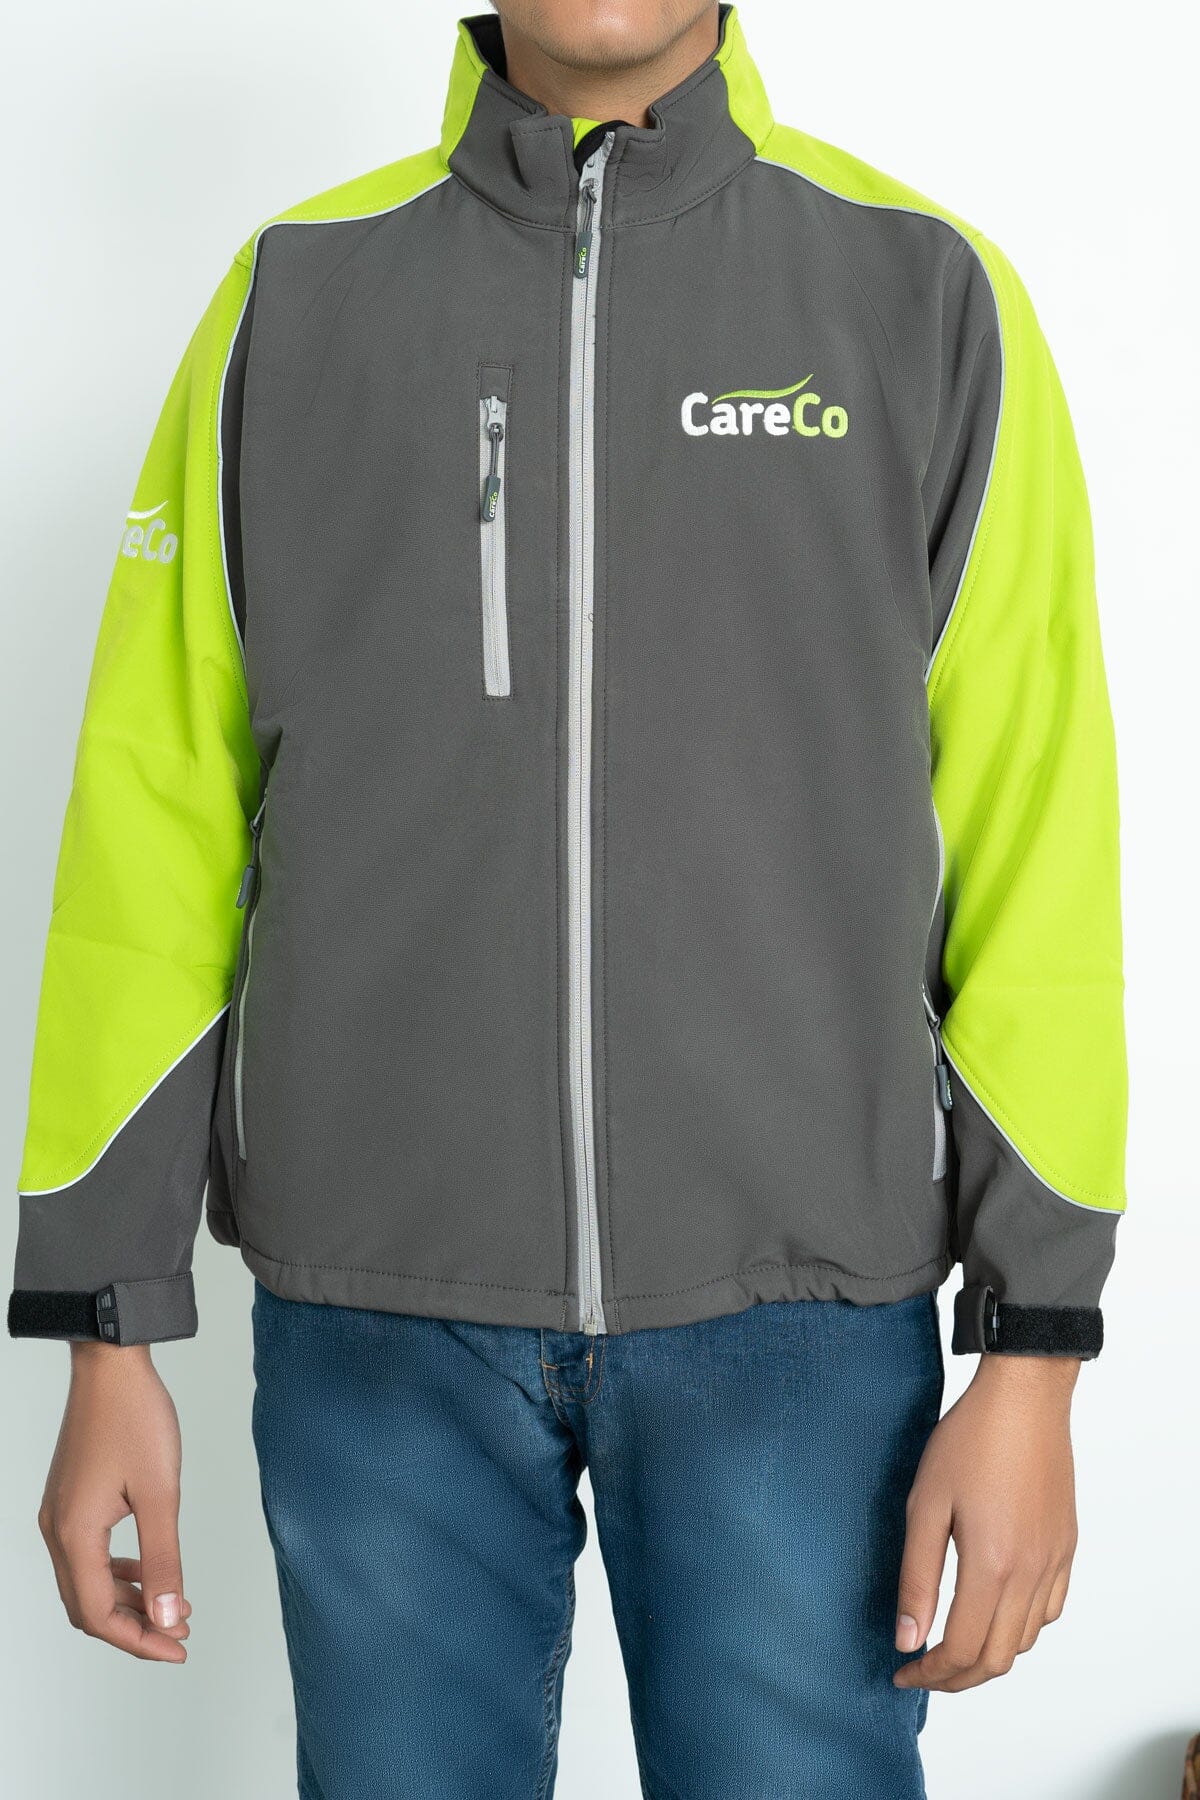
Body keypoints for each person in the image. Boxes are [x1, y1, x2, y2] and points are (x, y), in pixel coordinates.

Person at [10, 4, 1126, 1795]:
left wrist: (1036, 1346)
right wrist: (103, 1321)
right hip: (377, 1317)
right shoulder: (294, 296)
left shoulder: (921, 291)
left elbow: (1037, 830)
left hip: (800, 1322)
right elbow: (153, 818)